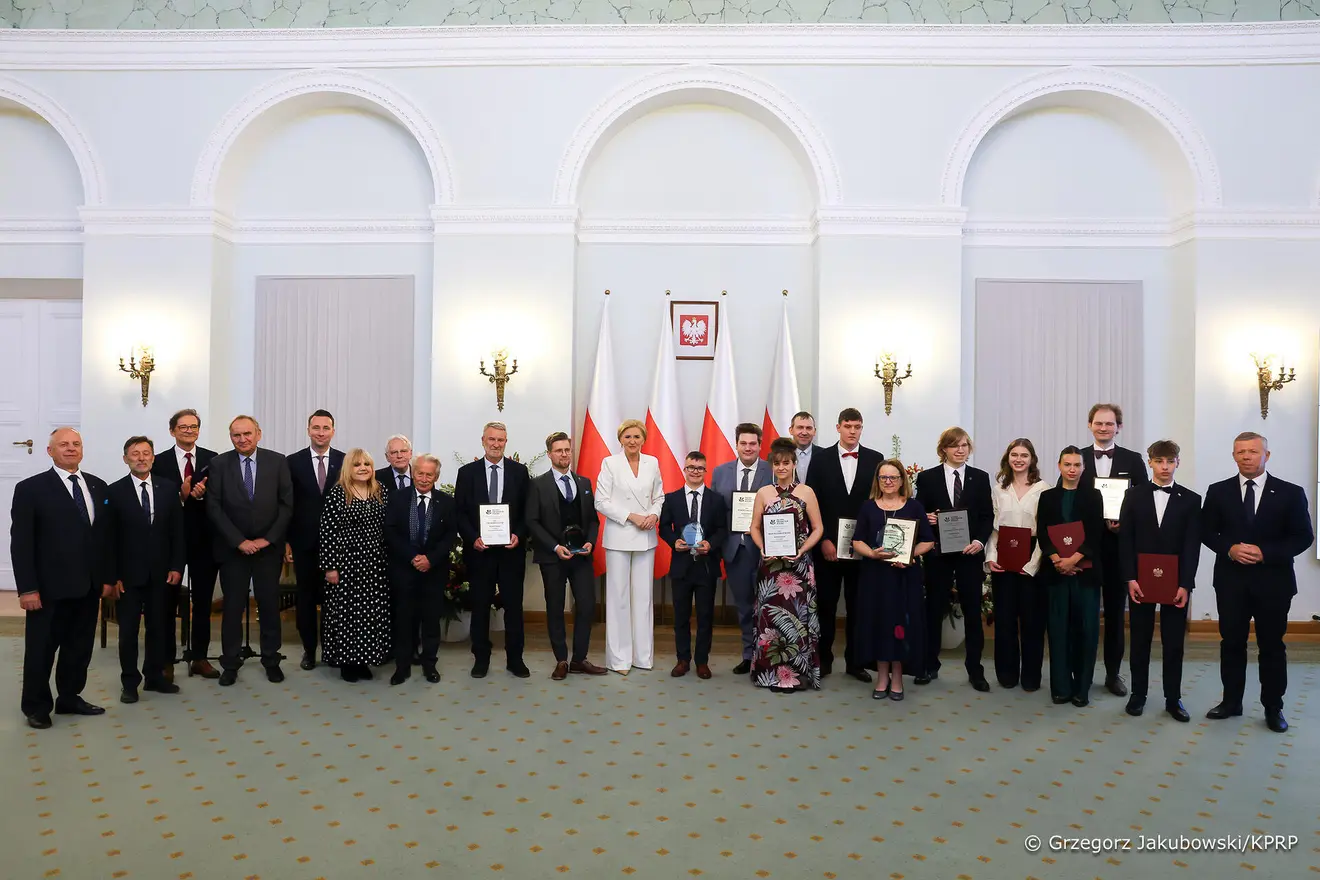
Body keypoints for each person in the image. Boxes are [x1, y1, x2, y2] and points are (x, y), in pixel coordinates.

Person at [1201, 432, 1313, 733]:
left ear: (1267, 455)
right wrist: (1229, 548)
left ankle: (1273, 707)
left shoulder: (1290, 493)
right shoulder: (1218, 491)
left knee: (1272, 646)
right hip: (1231, 582)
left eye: (1252, 451)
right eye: (1240, 452)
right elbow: (1206, 531)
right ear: (1234, 456)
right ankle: (1231, 702)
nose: (1246, 457)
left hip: (1273, 583)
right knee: (1231, 644)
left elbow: (1303, 537)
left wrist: (1265, 553)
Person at [11, 428, 111, 729]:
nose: (70, 448)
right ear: (50, 451)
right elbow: (22, 542)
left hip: (88, 585)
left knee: (78, 649)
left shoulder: (97, 485)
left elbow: (103, 537)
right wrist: (27, 588)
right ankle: (36, 706)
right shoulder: (30, 488)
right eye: (63, 444)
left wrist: (106, 578)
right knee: (41, 650)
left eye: (76, 444)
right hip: (48, 588)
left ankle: (69, 698)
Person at [206, 415, 294, 687]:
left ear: (258, 434)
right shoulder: (219, 464)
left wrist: (268, 539)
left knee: (268, 606)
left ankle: (271, 660)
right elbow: (214, 507)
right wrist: (239, 541)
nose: (242, 439)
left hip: (268, 550)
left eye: (247, 433)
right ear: (230, 437)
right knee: (233, 608)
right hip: (233, 550)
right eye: (236, 435)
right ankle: (230, 663)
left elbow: (287, 505)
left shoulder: (277, 461)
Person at [1118, 440, 1201, 722]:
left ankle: (1173, 699)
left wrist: (1186, 584)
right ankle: (1138, 694)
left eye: (1170, 461)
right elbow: (1125, 540)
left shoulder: (1191, 500)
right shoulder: (1133, 495)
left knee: (1174, 643)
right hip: (1140, 582)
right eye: (1159, 461)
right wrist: (1129, 577)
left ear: (1178, 462)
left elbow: (1192, 546)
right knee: (1139, 640)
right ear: (1150, 462)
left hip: (1175, 584)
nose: (1164, 467)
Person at [103, 436, 186, 703]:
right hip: (127, 577)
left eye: (146, 453)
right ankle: (129, 683)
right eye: (135, 453)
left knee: (158, 628)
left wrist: (177, 566)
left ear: (153, 457)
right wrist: (113, 575)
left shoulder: (168, 488)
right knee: (128, 632)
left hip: (162, 574)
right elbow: (108, 539)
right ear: (125, 458)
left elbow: (177, 532)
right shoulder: (114, 492)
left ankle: (154, 677)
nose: (141, 458)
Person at [805, 408, 884, 682]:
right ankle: (824, 660)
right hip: (827, 547)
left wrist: (868, 543)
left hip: (862, 548)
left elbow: (878, 503)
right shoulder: (820, 459)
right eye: (848, 426)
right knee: (825, 607)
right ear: (838, 427)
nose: (852, 431)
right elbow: (812, 502)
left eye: (857, 426)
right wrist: (823, 539)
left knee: (858, 607)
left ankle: (856, 662)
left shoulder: (875, 459)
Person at [914, 427, 994, 691]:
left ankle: (975, 670)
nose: (960, 450)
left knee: (972, 613)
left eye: (964, 445)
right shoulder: (927, 478)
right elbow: (918, 512)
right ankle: (929, 666)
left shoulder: (980, 478)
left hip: (969, 555)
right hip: (939, 555)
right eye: (954, 445)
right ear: (944, 450)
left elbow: (987, 516)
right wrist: (926, 518)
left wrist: (979, 542)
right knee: (933, 610)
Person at [525, 432, 608, 680]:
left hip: (581, 556)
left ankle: (579, 659)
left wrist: (590, 541)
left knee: (586, 605)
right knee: (555, 607)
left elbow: (593, 520)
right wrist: (554, 547)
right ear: (549, 454)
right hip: (553, 557)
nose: (564, 454)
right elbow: (532, 521)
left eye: (567, 450)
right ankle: (561, 660)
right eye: (559, 450)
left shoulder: (584, 483)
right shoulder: (537, 484)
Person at [1079, 403, 1148, 698]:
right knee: (1084, 614)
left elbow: (1144, 501)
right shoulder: (1077, 458)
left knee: (1116, 616)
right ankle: (1081, 672)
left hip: (1119, 550)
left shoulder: (1133, 459)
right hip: (1085, 549)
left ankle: (1112, 673)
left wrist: (1125, 524)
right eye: (1099, 423)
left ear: (1119, 427)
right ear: (1090, 425)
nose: (1104, 428)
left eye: (1109, 424)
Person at [852, 459, 935, 701]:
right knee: (878, 624)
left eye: (893, 477)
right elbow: (857, 540)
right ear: (877, 481)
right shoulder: (868, 507)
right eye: (883, 477)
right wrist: (872, 554)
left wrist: (910, 556)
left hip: (904, 577)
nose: (888, 482)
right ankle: (881, 677)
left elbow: (928, 540)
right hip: (875, 578)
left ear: (901, 481)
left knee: (901, 626)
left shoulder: (914, 506)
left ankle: (897, 677)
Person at [454, 421, 530, 679]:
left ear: (506, 442)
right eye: (491, 439)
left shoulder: (520, 472)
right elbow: (460, 512)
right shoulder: (467, 473)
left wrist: (518, 534)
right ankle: (481, 659)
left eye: (500, 440)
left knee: (513, 608)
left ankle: (515, 659)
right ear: (483, 441)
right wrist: (472, 538)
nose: (496, 444)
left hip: (511, 553)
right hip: (480, 553)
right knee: (480, 607)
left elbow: (527, 511)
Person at [749, 438, 824, 692]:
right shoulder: (763, 493)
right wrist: (763, 548)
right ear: (772, 465)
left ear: (794, 464)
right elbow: (754, 527)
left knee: (797, 619)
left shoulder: (806, 492)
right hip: (771, 567)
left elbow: (818, 528)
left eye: (786, 463)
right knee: (770, 618)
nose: (782, 467)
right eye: (777, 463)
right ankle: (770, 674)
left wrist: (802, 550)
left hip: (798, 566)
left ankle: (798, 674)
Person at [152, 408, 220, 679]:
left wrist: (201, 496)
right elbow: (155, 501)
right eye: (183, 427)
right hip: (170, 543)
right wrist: (180, 497)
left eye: (193, 427)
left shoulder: (213, 459)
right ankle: (166, 660)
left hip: (204, 540)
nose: (189, 431)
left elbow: (222, 498)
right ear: (172, 431)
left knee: (203, 602)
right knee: (167, 603)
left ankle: (200, 657)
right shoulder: (158, 462)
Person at [1037, 446, 1106, 707]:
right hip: (1056, 574)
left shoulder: (1094, 496)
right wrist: (1058, 560)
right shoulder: (1047, 497)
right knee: (1058, 631)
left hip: (1085, 575)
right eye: (1067, 464)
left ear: (1084, 468)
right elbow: (1042, 532)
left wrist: (1074, 559)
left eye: (1077, 465)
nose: (1072, 469)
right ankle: (1061, 687)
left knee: (1086, 631)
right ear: (1059, 466)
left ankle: (1082, 688)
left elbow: (1096, 533)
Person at [594, 418, 665, 675]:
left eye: (637, 436)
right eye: (627, 437)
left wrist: (654, 515)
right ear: (620, 440)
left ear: (643, 439)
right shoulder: (609, 463)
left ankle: (642, 656)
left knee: (644, 598)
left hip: (646, 536)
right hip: (619, 535)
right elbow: (601, 501)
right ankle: (619, 659)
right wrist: (631, 517)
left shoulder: (652, 462)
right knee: (619, 597)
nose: (632, 441)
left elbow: (659, 496)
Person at [318, 448, 391, 683]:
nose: (362, 468)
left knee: (371, 614)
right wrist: (330, 567)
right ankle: (348, 662)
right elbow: (328, 532)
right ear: (348, 468)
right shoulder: (339, 493)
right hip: (346, 565)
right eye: (357, 464)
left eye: (367, 464)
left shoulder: (380, 491)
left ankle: (364, 659)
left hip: (375, 565)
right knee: (347, 614)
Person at [384, 454, 456, 685]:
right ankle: (402, 667)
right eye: (420, 473)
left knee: (431, 621)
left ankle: (429, 665)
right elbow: (390, 531)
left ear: (436, 477)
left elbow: (449, 536)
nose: (424, 479)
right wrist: (412, 557)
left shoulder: (446, 502)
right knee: (404, 620)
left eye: (429, 475)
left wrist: (430, 559)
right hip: (404, 569)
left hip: (433, 571)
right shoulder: (397, 498)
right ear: (413, 473)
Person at [985, 438, 1048, 691]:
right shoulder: (999, 489)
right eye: (1014, 455)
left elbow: (1045, 531)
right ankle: (1007, 674)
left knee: (1032, 622)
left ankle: (1031, 677)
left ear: (1032, 459)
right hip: (1004, 558)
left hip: (1033, 557)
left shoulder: (1044, 489)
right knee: (1005, 620)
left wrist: (1032, 565)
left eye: (1024, 455)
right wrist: (991, 556)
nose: (1019, 459)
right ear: (1007, 458)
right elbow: (993, 529)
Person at [659, 450, 728, 679]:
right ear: (684, 470)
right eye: (691, 467)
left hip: (706, 566)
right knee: (680, 616)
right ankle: (682, 660)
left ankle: (702, 661)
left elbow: (722, 530)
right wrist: (673, 541)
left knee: (705, 617)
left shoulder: (716, 499)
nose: (695, 472)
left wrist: (710, 543)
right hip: (681, 565)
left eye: (699, 468)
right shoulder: (672, 498)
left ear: (705, 471)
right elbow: (664, 527)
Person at [711, 423, 772, 675]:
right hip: (735, 549)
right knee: (744, 606)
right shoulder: (720, 472)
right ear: (736, 444)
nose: (748, 448)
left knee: (768, 605)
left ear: (760, 445)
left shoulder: (773, 470)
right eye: (743, 443)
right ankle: (748, 655)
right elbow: (714, 511)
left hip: (766, 549)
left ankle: (768, 656)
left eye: (753, 443)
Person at [286, 409, 345, 671]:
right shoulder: (292, 462)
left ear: (333, 431)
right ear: (308, 430)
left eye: (326, 428)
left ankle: (333, 650)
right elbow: (287, 504)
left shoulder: (345, 461)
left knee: (336, 600)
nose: (321, 433)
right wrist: (287, 541)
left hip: (339, 545)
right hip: (304, 544)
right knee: (307, 599)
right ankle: (309, 651)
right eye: (316, 428)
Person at [788, 411, 823, 484]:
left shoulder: (825, 455)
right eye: (800, 427)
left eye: (808, 428)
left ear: (814, 431)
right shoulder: (781, 455)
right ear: (791, 430)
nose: (804, 433)